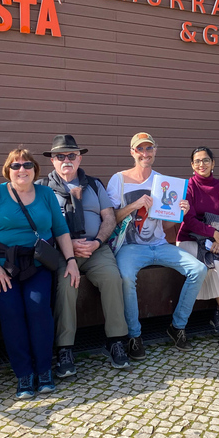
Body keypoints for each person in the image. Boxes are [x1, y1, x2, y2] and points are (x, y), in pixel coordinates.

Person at [0, 148, 80, 399]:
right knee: (11, 313)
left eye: (26, 165)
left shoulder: (45, 193)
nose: (21, 170)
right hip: (4, 266)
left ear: (35, 169)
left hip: (37, 264)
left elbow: (60, 229)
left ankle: (44, 371)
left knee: (38, 308)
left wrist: (71, 261)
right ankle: (24, 374)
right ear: (7, 170)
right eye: (15, 166)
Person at [107, 132, 206, 359]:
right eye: (140, 149)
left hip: (160, 245)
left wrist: (182, 212)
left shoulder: (164, 182)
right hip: (129, 248)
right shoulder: (118, 179)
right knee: (126, 277)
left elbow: (168, 222)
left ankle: (177, 326)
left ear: (155, 151)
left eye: (148, 149)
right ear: (132, 152)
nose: (145, 153)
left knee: (198, 269)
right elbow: (111, 218)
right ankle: (134, 335)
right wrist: (135, 205)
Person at [37, 134, 129, 376]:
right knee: (67, 283)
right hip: (61, 252)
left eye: (71, 155)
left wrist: (97, 242)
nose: (66, 160)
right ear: (53, 161)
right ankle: (65, 348)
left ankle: (116, 340)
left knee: (112, 278)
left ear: (79, 159)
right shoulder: (42, 187)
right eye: (60, 156)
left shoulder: (94, 184)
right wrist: (67, 247)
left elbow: (109, 218)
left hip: (95, 249)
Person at [176, 146, 219, 345]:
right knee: (215, 268)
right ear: (192, 165)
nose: (202, 164)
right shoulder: (188, 186)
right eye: (197, 161)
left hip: (218, 239)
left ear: (213, 163)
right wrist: (213, 234)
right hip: (190, 239)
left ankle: (217, 315)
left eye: (206, 160)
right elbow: (188, 220)